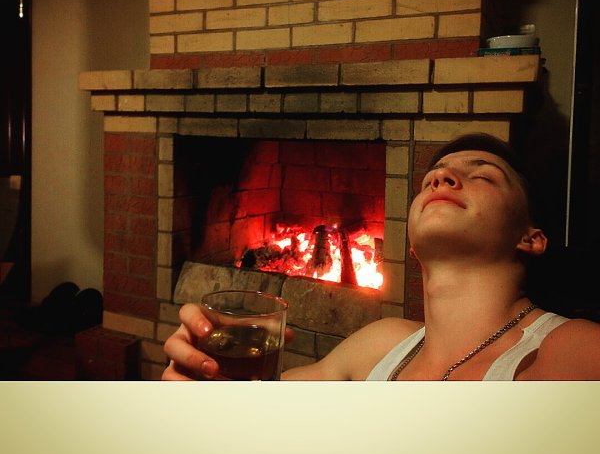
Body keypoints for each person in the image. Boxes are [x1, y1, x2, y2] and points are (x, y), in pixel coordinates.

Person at [162, 133, 600, 381]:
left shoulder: (573, 352)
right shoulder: (380, 344)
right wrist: (202, 374)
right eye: (431, 179)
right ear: (412, 247)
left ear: (531, 238)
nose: (442, 178)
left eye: (483, 176)